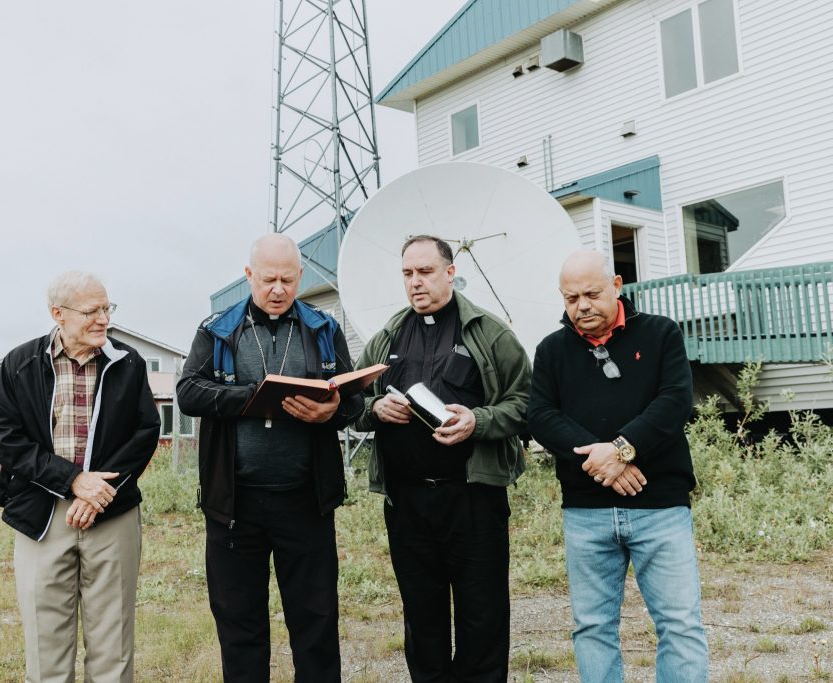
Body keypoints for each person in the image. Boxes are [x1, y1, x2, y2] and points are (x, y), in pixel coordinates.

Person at [176, 233, 363, 682]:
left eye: (286, 280)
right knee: (240, 626)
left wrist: (332, 410)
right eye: (267, 280)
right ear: (248, 276)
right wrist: (250, 398)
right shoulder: (216, 329)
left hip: (306, 501)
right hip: (235, 505)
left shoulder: (323, 328)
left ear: (300, 276)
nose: (277, 289)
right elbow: (187, 392)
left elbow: (356, 400)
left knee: (316, 623)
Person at [353, 235, 531, 682]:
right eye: (408, 274)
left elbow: (527, 402)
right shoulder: (387, 338)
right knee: (422, 616)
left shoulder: (490, 334)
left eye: (425, 272)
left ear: (450, 272)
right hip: (407, 502)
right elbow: (350, 403)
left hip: (473, 499)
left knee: (482, 617)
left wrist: (479, 420)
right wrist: (375, 409)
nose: (416, 282)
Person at [527, 250, 709, 682]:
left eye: (591, 293)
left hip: (661, 507)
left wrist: (623, 448)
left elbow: (674, 402)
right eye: (571, 298)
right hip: (585, 512)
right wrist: (602, 456)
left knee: (680, 626)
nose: (582, 306)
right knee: (593, 628)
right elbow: (541, 417)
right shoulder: (551, 351)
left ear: (617, 285)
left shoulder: (660, 334)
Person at [0, 271, 160, 683]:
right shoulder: (20, 363)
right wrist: (71, 481)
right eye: (91, 311)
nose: (103, 319)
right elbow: (6, 439)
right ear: (58, 314)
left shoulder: (128, 363)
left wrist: (97, 492)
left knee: (113, 645)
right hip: (41, 518)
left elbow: (145, 432)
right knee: (45, 645)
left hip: (111, 514)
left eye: (107, 308)